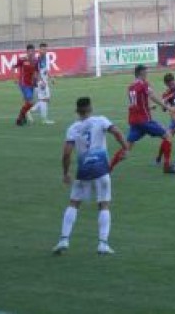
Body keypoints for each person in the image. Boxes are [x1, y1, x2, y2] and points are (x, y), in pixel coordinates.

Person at [52, 97, 128, 255]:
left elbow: (66, 153)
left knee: (74, 203)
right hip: (101, 169)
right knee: (104, 204)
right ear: (91, 108)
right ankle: (102, 243)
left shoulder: (73, 128)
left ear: (77, 111)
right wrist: (125, 148)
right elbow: (117, 132)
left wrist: (66, 173)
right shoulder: (100, 120)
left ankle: (64, 239)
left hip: (83, 171)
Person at [109, 65, 175, 174]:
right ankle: (166, 166)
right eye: (146, 72)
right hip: (144, 121)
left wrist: (149, 107)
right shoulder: (143, 84)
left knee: (127, 147)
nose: (147, 74)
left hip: (134, 121)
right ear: (141, 73)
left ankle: (109, 167)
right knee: (168, 135)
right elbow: (152, 96)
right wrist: (167, 107)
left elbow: (135, 103)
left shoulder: (131, 86)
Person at [27, 43, 54, 124]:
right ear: (39, 50)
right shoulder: (37, 60)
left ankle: (29, 111)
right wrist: (41, 81)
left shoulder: (46, 58)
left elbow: (46, 70)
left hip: (45, 81)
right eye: (42, 49)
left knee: (46, 99)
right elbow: (36, 72)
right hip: (40, 82)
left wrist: (51, 77)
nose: (44, 51)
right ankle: (44, 119)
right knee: (43, 99)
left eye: (45, 49)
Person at [14, 44, 39, 126]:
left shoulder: (36, 60)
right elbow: (15, 66)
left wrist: (36, 80)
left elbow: (36, 70)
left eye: (33, 51)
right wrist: (15, 78)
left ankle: (22, 117)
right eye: (30, 51)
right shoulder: (22, 59)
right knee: (30, 101)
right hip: (24, 84)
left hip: (31, 84)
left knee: (28, 102)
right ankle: (20, 117)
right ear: (27, 52)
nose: (31, 53)